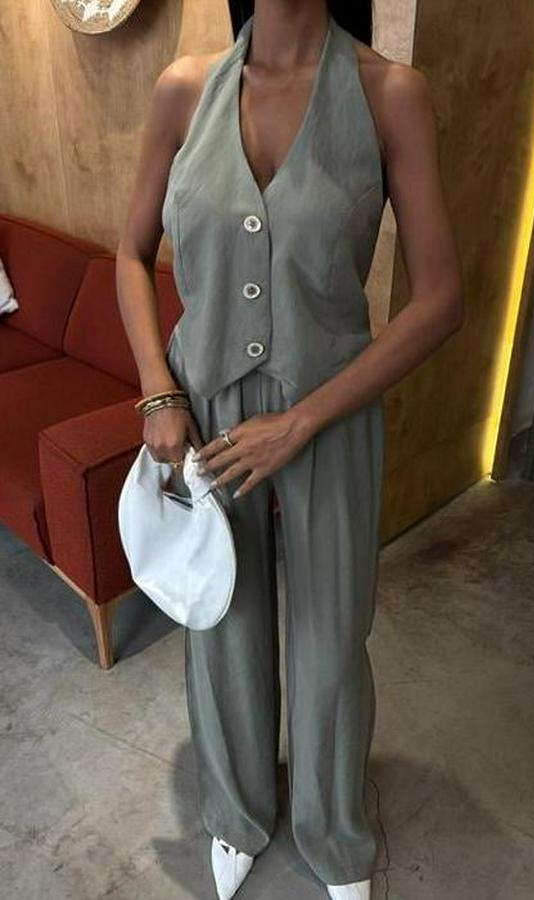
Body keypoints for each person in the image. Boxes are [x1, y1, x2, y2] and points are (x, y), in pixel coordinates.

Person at [116, 1, 463, 897]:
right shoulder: (184, 89)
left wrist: (303, 420)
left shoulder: (390, 94)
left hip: (330, 412)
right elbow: (130, 254)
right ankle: (235, 812)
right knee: (221, 621)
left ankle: (333, 829)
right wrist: (159, 389)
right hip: (204, 409)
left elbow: (438, 298)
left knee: (330, 635)